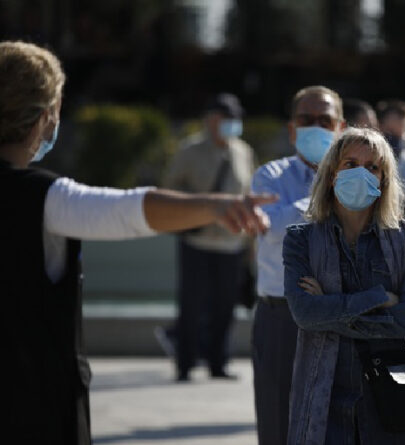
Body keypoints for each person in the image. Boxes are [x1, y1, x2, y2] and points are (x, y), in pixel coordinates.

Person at [0, 40, 275, 445]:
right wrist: (217, 207)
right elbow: (124, 210)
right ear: (44, 116)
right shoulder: (41, 197)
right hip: (27, 409)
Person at [283, 127, 405, 444]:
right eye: (350, 164)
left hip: (395, 399)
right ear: (331, 174)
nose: (361, 173)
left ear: (384, 179)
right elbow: (305, 314)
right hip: (325, 400)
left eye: (373, 167)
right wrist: (380, 298)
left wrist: (333, 306)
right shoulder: (300, 239)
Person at [250, 85, 345, 445]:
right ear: (292, 129)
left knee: (339, 420)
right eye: (307, 120)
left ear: (341, 127)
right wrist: (328, 196)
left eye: (325, 119)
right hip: (282, 316)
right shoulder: (270, 176)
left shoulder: (359, 177)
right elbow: (270, 227)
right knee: (278, 421)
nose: (316, 126)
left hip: (342, 313)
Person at [162, 93, 256, 381]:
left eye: (233, 118)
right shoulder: (189, 150)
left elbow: (250, 193)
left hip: (231, 242)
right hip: (197, 240)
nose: (229, 123)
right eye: (223, 117)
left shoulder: (243, 151)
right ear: (210, 119)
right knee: (191, 303)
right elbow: (169, 188)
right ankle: (185, 363)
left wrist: (251, 241)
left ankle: (218, 363)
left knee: (225, 306)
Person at [376, 99, 405, 189]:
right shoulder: (370, 158)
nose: (392, 139)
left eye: (403, 126)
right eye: (390, 131)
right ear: (380, 126)